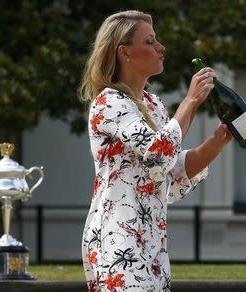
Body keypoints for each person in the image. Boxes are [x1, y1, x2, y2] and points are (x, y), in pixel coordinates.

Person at [79, 10, 232, 292]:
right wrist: (191, 101)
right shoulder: (108, 103)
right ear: (125, 53)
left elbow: (171, 176)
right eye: (150, 41)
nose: (161, 48)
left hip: (153, 244)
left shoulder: (154, 105)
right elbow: (158, 154)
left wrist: (218, 141)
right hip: (116, 240)